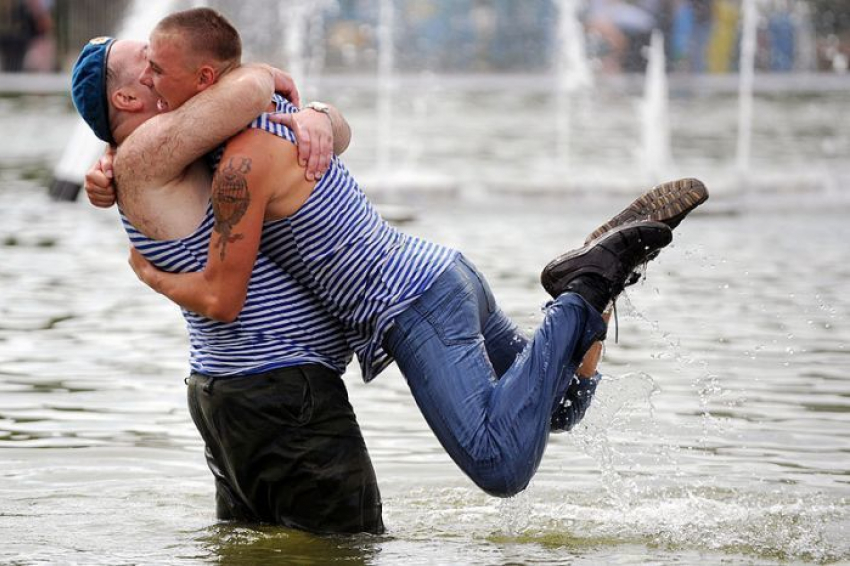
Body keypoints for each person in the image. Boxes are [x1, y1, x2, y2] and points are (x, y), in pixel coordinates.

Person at [106, 8, 707, 499]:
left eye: (158, 71)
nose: (150, 85)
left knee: (499, 465)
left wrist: (147, 272)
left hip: (412, 303)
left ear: (206, 80)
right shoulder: (279, 119)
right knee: (561, 407)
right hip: (444, 273)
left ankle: (584, 287)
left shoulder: (244, 156)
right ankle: (602, 280)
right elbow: (182, 143)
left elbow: (223, 295)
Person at [71, 34, 385, 534]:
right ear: (128, 98)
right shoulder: (148, 151)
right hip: (278, 390)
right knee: (349, 547)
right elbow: (251, 90)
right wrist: (262, 72)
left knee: (257, 546)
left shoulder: (170, 150)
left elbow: (317, 130)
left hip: (242, 391)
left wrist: (318, 117)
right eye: (149, 62)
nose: (163, 63)